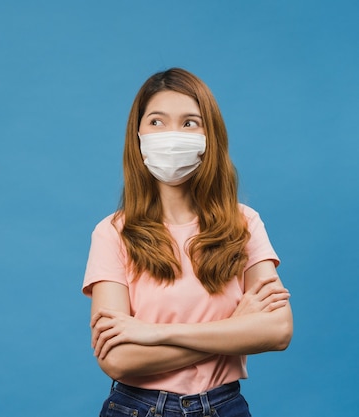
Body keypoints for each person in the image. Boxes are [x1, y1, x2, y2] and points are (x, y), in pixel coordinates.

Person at [82, 68, 293, 417]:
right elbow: (117, 360)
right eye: (157, 122)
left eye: (189, 122)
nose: (171, 135)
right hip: (137, 408)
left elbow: (278, 330)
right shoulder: (112, 232)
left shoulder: (244, 223)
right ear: (137, 135)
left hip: (224, 406)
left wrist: (153, 334)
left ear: (210, 135)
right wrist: (235, 327)